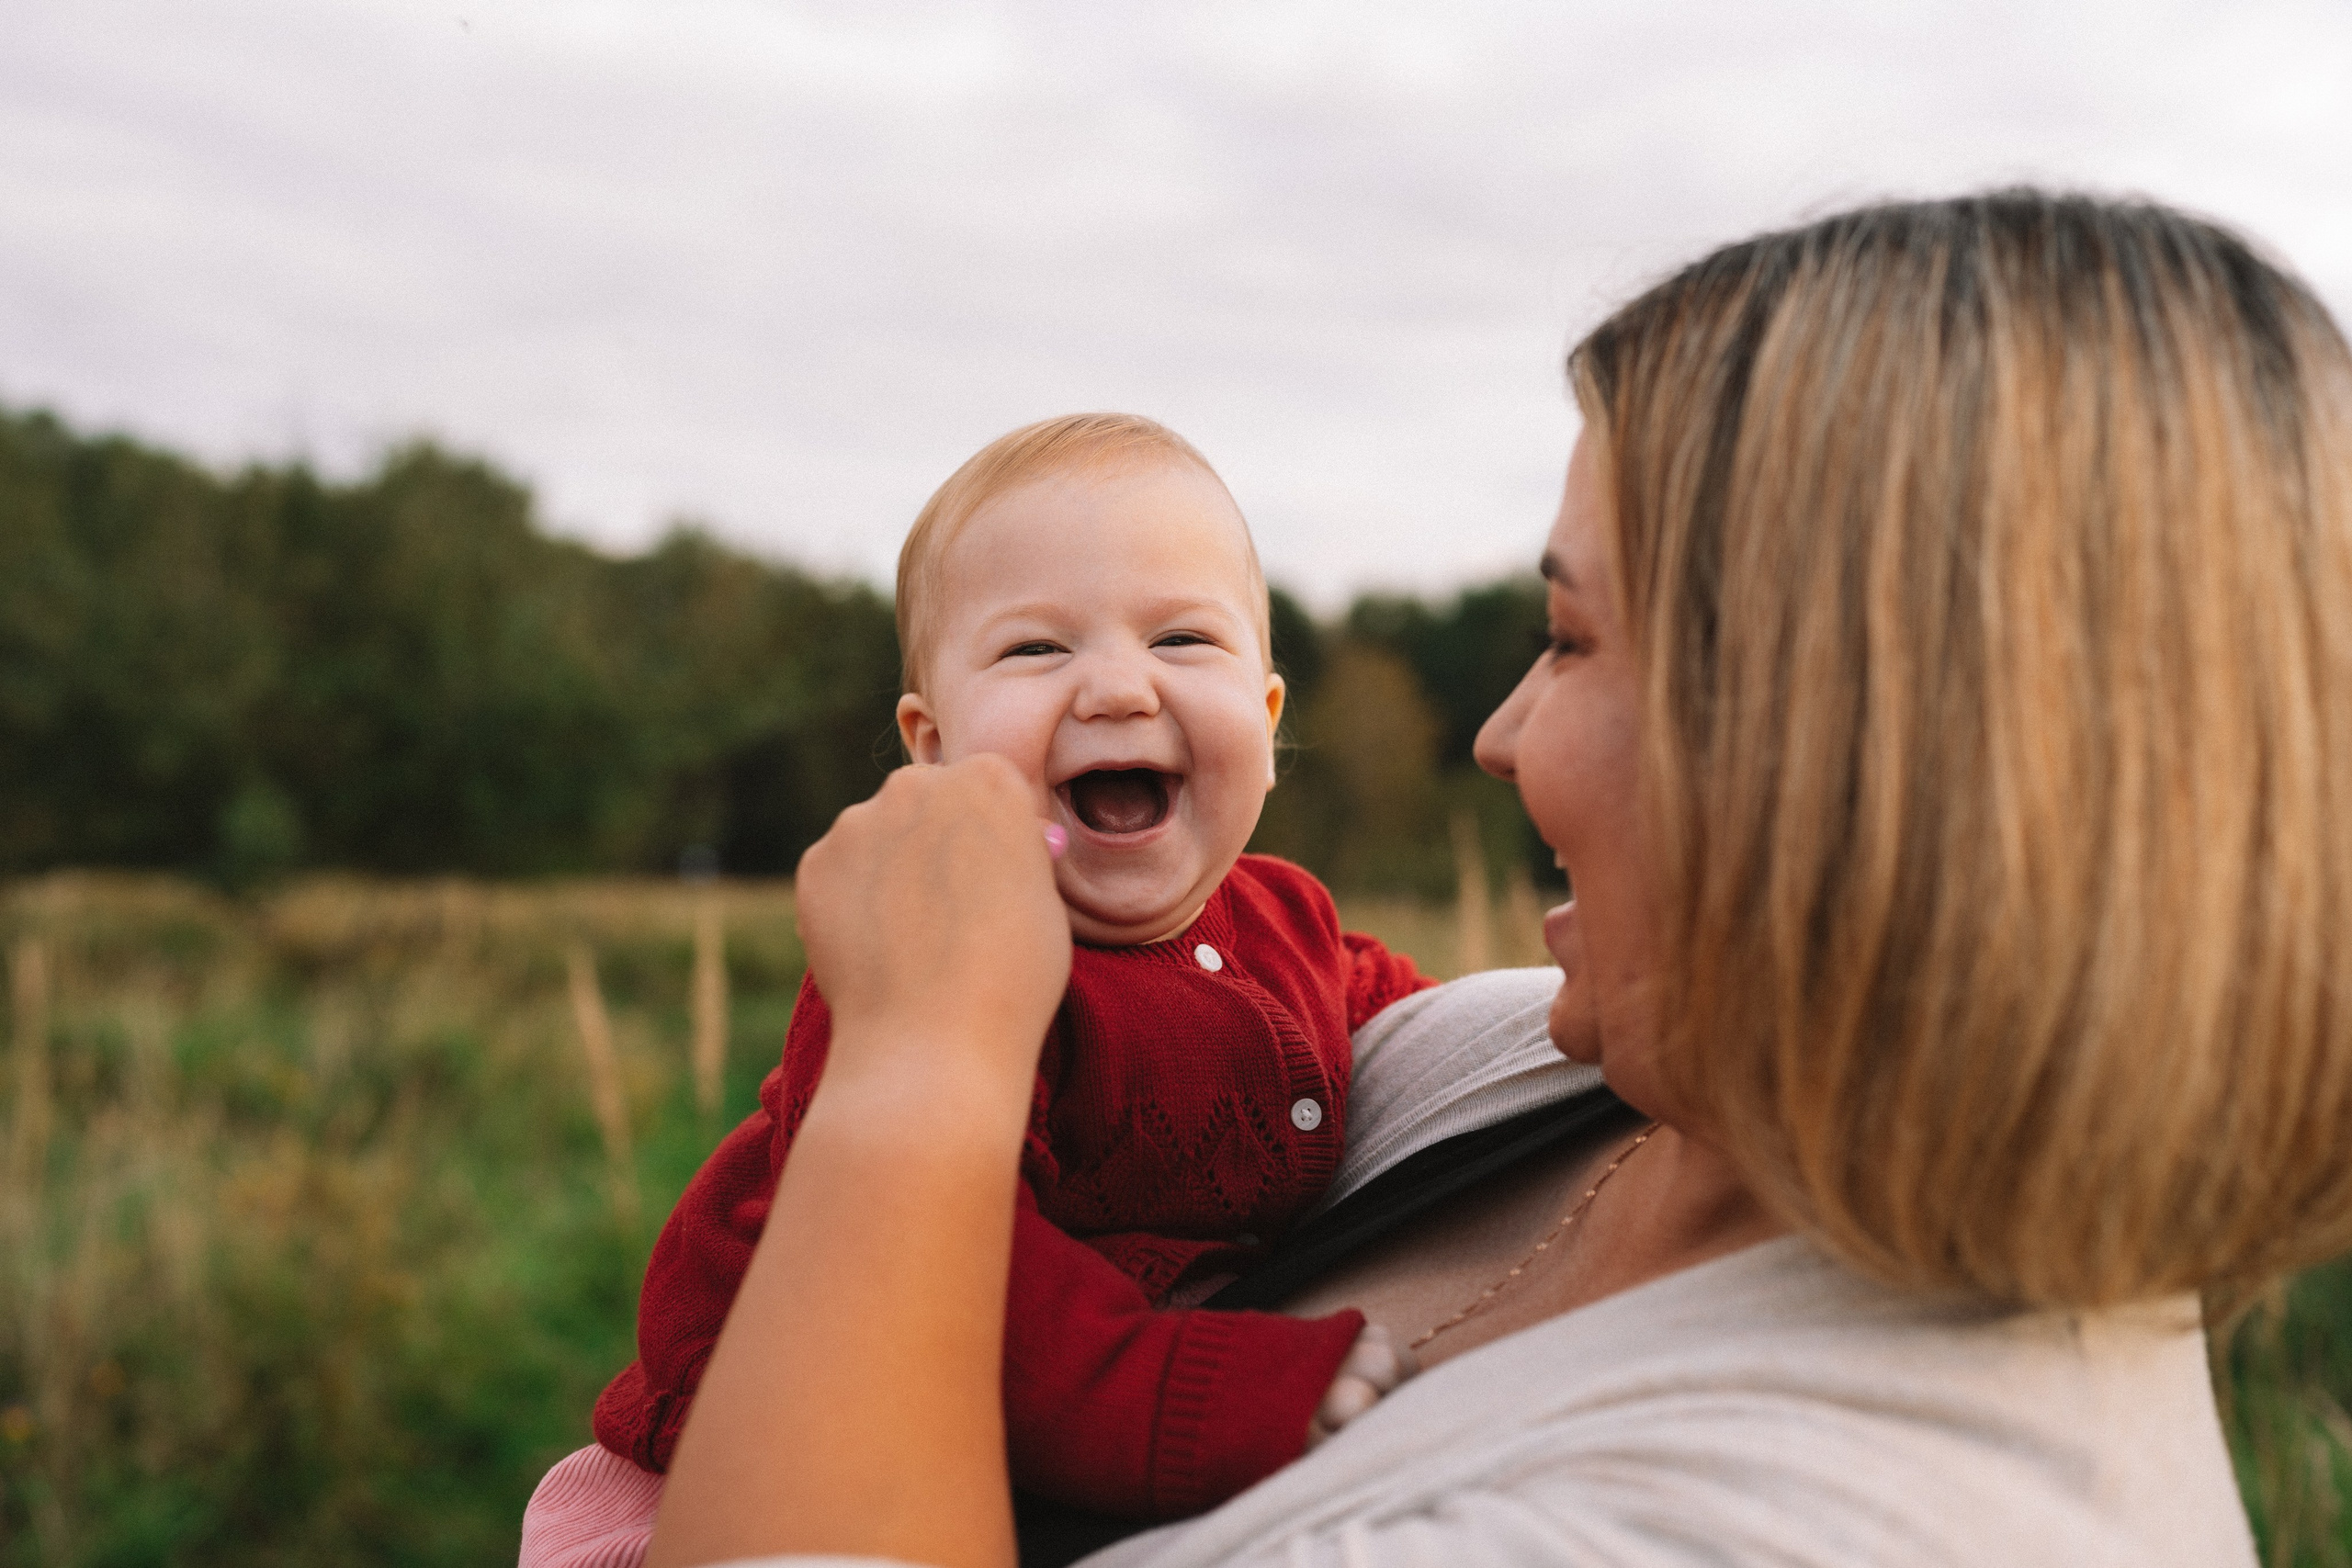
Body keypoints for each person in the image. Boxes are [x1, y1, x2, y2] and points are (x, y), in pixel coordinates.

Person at [554, 189, 2352, 1568]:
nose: (1496, 734)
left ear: (1852, 754)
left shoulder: (1841, 1519)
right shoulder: (1546, 1071)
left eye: (1569, 643)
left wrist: (915, 1063)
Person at [582, 413, 1435, 1543]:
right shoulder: (941, 965)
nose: (1120, 689)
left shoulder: (1288, 919)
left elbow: (1382, 1009)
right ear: (930, 749)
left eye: (1182, 641)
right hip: (765, 1452)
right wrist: (1197, 1393)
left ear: (1269, 725)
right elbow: (960, 1283)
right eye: (1038, 650)